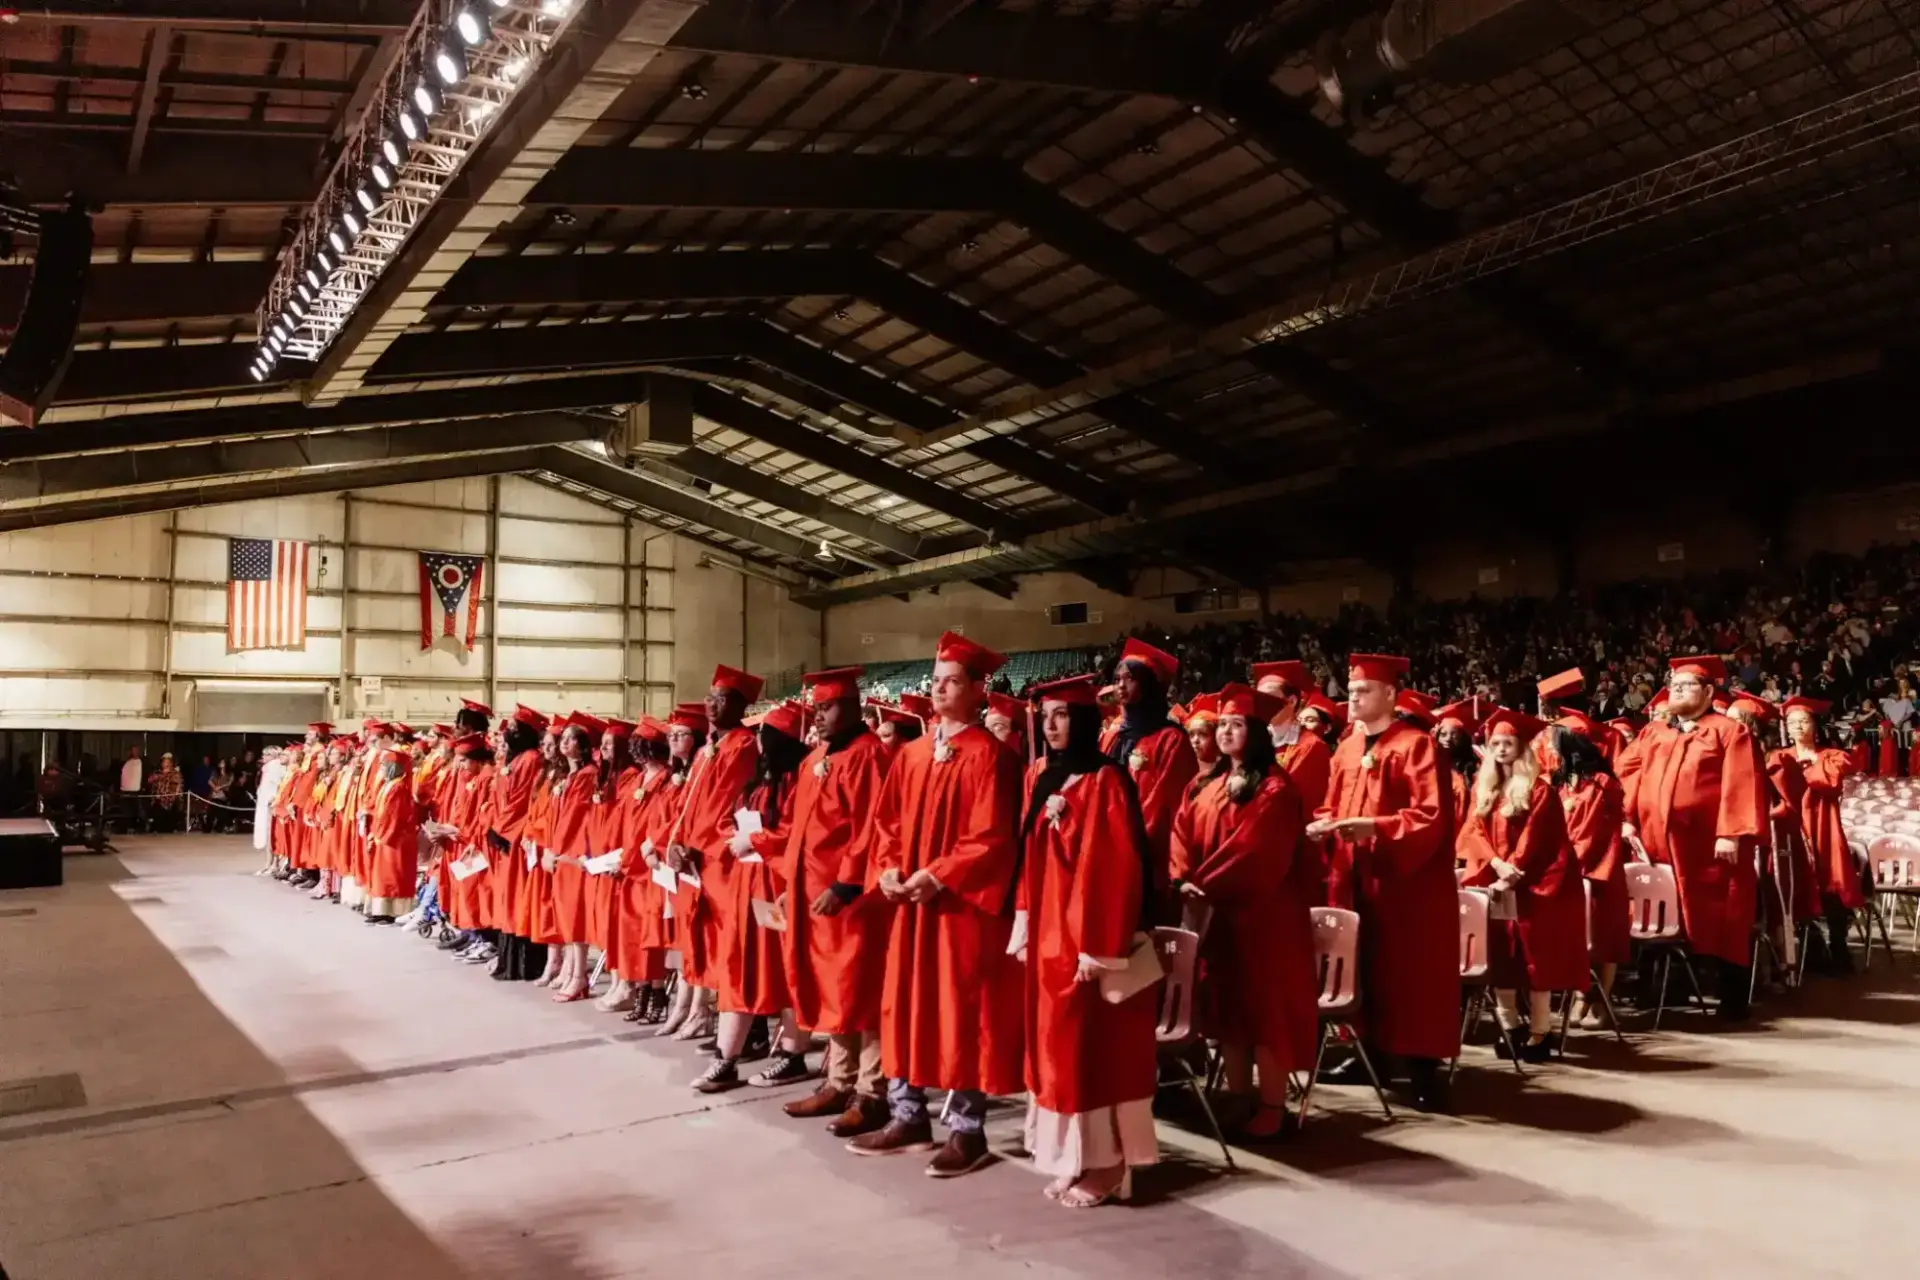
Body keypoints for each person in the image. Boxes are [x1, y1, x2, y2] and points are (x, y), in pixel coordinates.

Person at [848, 631, 1023, 1177]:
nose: (941, 689)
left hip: (960, 912)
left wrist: (938, 875)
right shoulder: (914, 753)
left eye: (952, 681)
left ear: (977, 690)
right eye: (937, 680)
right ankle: (908, 1116)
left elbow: (992, 837)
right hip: (912, 908)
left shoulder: (991, 756)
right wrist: (890, 868)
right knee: (904, 1003)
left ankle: (968, 1131)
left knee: (961, 1012)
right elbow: (887, 822)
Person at [1018, 674, 1160, 1206]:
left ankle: (1109, 1163)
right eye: (1046, 716)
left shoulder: (1106, 781)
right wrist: (1025, 921)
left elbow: (1113, 869)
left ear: (1082, 722)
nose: (1052, 725)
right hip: (1049, 942)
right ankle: (1074, 1159)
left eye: (1062, 715)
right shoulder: (1045, 779)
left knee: (1093, 1055)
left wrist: (1099, 947)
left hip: (1089, 946)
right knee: (1059, 1056)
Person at [1307, 653, 1456, 1112]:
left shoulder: (1417, 746)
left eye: (1363, 690)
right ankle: (1365, 1053)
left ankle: (1423, 1069)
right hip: (1353, 878)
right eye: (1350, 691)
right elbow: (1329, 805)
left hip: (1404, 885)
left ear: (1390, 694)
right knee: (1363, 969)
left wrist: (1377, 828)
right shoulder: (1347, 748)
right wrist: (1324, 825)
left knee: (1410, 974)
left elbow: (1431, 817)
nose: (1352, 697)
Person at [1169, 683, 1318, 1139]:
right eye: (1224, 725)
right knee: (1230, 1013)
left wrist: (1203, 885)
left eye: (1237, 725)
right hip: (1221, 918)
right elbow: (1181, 827)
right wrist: (1181, 876)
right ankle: (1238, 1098)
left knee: (1264, 1015)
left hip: (1265, 920)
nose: (1228, 732)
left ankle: (1273, 1105)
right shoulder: (1209, 785)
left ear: (1256, 732)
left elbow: (1254, 853)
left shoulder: (1275, 788)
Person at [781, 668, 895, 1137]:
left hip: (854, 901)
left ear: (854, 707)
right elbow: (801, 829)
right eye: (817, 707)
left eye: (828, 707)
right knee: (835, 991)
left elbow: (874, 828)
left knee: (862, 993)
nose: (820, 716)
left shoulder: (870, 757)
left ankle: (872, 1093)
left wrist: (846, 884)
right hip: (813, 897)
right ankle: (839, 1080)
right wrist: (791, 880)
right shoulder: (817, 758)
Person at [1618, 655, 1764, 1020]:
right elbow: (1628, 773)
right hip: (1658, 842)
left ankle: (1731, 998)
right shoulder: (1655, 732)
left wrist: (1730, 832)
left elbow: (1742, 780)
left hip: (1709, 846)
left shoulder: (1729, 731)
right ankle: (1666, 990)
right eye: (1674, 684)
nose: (1677, 689)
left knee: (1723, 914)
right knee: (1665, 910)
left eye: (1687, 685)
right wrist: (1627, 819)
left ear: (1709, 691)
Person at [1455, 710, 1583, 1063]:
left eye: (1507, 743)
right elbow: (1473, 830)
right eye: (1494, 743)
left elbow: (1536, 837)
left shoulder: (1539, 790)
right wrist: (1495, 865)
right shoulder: (1485, 788)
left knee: (1535, 961)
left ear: (1522, 748)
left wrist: (1512, 872)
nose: (1500, 748)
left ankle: (1541, 1032)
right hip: (1497, 883)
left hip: (1533, 886)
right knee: (1502, 959)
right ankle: (1510, 1028)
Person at [701, 702, 812, 1092]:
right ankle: (725, 1058)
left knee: (783, 968)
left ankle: (791, 1055)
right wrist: (733, 832)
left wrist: (756, 839)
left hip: (774, 890)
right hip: (745, 887)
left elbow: (800, 833)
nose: (761, 748)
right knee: (738, 966)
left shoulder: (800, 782)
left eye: (767, 740)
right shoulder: (759, 782)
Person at [666, 668, 765, 1036]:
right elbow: (688, 804)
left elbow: (724, 804)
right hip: (697, 857)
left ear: (739, 705)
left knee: (728, 941)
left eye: (721, 698)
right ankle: (708, 1015)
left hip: (720, 858)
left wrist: (693, 845)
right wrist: (675, 843)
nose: (711, 703)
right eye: (710, 696)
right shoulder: (711, 748)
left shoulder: (740, 745)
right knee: (705, 937)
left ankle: (739, 1027)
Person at [1552, 716, 1630, 1029]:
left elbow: (1592, 832)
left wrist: (1570, 861)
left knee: (1604, 937)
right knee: (1576, 937)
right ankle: (1581, 994)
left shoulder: (1603, 782)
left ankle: (1601, 997)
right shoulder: (1558, 781)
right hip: (1568, 869)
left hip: (1601, 868)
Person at [1103, 638, 1196, 892]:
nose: (1120, 685)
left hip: (1147, 853)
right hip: (1106, 846)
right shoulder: (1112, 734)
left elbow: (1165, 803)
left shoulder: (1171, 738)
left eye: (1129, 679)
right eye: (1117, 678)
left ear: (1148, 685)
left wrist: (1126, 839)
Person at [1783, 697, 1860, 973]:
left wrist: (1802, 767)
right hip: (1793, 830)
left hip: (1823, 830)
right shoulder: (1779, 757)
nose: (1797, 727)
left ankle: (1839, 949)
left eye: (1803, 721)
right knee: (1799, 888)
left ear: (1815, 725)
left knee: (1832, 887)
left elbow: (1829, 783)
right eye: (1791, 723)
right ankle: (1810, 950)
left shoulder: (1832, 756)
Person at [545, 714, 604, 1001]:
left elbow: (575, 818)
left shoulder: (587, 775)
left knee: (575, 915)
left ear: (582, 746)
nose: (563, 743)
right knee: (567, 915)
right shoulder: (569, 775)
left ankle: (580, 976)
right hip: (563, 850)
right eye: (563, 738)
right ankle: (571, 971)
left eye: (570, 738)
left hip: (575, 852)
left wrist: (557, 850)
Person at [1253, 660, 1333, 815]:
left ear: (1291, 701)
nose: (1262, 705)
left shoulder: (1311, 746)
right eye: (1259, 698)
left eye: (1269, 697)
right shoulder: (1255, 740)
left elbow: (1300, 801)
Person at [363, 748, 419, 924]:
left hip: (396, 839)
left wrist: (381, 835)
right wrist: (375, 833)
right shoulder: (388, 786)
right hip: (384, 834)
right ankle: (381, 910)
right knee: (382, 875)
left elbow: (394, 816)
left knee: (393, 876)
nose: (381, 768)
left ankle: (393, 912)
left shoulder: (399, 787)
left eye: (384, 765)